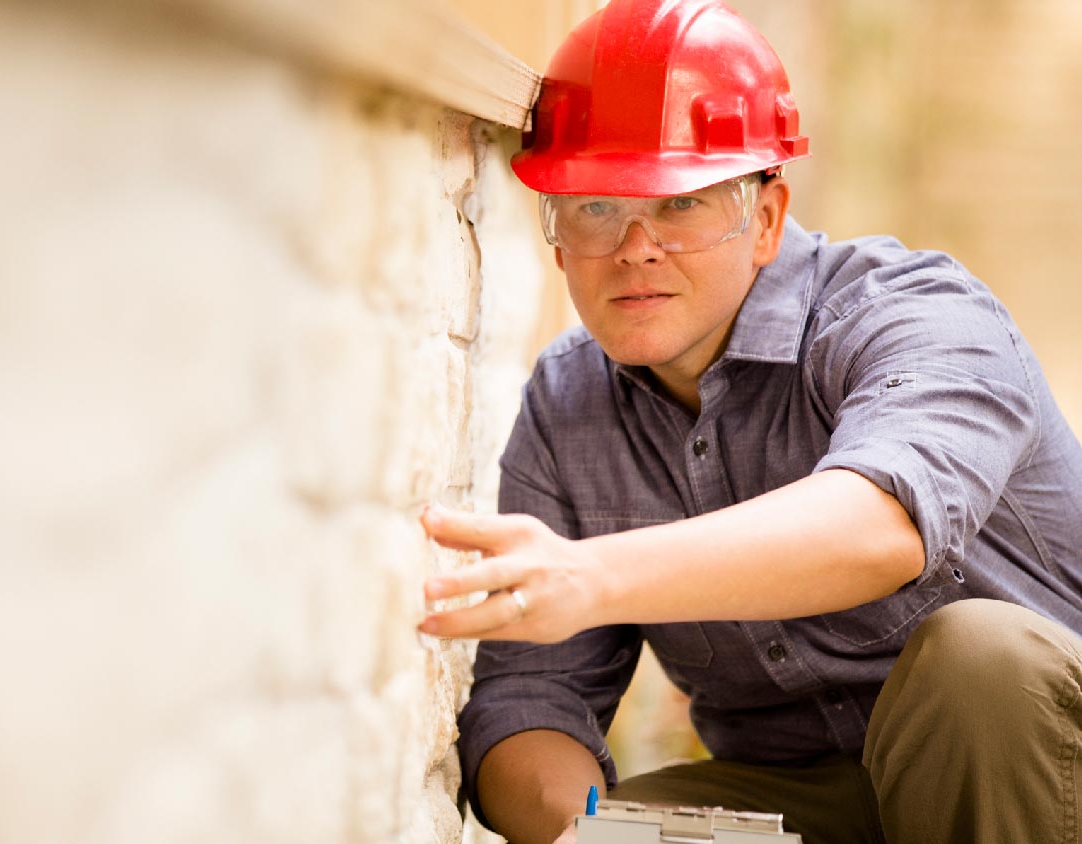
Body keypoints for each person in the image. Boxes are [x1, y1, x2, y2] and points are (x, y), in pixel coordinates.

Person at [416, 1, 1082, 842]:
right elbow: (529, 698)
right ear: (557, 242)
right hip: (812, 798)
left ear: (764, 219)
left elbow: (879, 527)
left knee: (978, 660)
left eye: (680, 205)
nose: (634, 246)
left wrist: (593, 575)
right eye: (594, 207)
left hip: (1039, 780)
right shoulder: (568, 403)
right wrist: (593, 834)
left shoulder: (914, 316)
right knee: (635, 828)